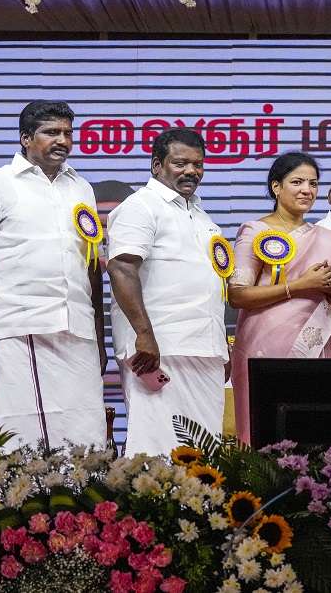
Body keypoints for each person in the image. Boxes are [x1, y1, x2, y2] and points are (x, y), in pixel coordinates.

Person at [0, 100, 107, 451]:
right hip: (18, 327)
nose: (63, 141)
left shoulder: (81, 188)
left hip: (77, 329)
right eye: (51, 132)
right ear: (25, 138)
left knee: (86, 427)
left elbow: (91, 266)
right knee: (20, 432)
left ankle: (84, 489)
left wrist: (99, 336)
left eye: (68, 133)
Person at [228, 152, 331, 443]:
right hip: (264, 347)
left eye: (313, 183)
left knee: (309, 434)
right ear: (276, 187)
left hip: (315, 348)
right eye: (297, 182)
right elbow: (237, 294)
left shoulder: (328, 238)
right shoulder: (255, 231)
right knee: (263, 432)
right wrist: (300, 285)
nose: (307, 190)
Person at [107, 128, 228, 457]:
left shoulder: (201, 215)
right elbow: (122, 268)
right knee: (156, 450)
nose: (191, 171)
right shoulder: (140, 207)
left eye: (198, 164)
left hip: (204, 350)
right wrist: (144, 336)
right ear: (157, 165)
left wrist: (220, 347)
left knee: (206, 456)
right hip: (159, 350)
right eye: (180, 163)